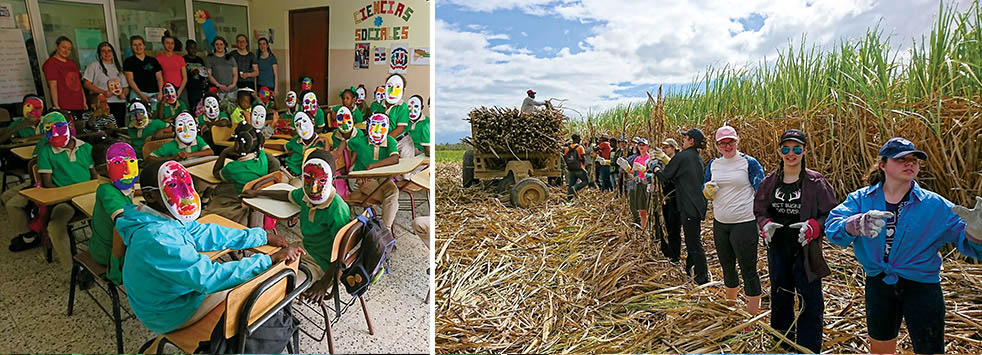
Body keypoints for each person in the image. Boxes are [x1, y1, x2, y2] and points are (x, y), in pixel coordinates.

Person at [825, 137, 982, 354]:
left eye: (914, 160)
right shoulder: (861, 199)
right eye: (901, 159)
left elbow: (966, 241)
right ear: (882, 164)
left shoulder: (934, 204)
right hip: (878, 284)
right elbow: (833, 227)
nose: (910, 163)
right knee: (880, 348)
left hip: (922, 286)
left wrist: (976, 234)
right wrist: (856, 224)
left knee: (930, 349)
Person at [117, 160, 302, 334]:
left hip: (170, 297)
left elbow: (203, 232)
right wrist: (269, 259)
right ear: (149, 195)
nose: (185, 192)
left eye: (187, 184)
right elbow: (208, 278)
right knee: (244, 292)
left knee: (243, 286)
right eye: (173, 186)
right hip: (167, 312)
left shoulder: (161, 216)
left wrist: (260, 236)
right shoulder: (157, 238)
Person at [753, 129, 835, 353]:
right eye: (786, 148)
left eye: (797, 148)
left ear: (804, 150)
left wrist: (815, 227)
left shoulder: (816, 181)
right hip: (778, 247)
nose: (791, 153)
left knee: (811, 301)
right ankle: (782, 344)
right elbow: (759, 210)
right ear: (780, 151)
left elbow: (832, 214)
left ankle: (808, 349)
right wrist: (765, 225)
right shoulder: (770, 182)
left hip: (806, 250)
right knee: (781, 297)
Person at [240, 149, 350, 302]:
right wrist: (258, 193)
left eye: (321, 180)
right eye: (308, 179)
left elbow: (342, 253)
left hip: (322, 265)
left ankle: (277, 317)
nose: (314, 186)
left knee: (277, 290)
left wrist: (325, 285)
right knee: (262, 273)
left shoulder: (337, 209)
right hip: (304, 249)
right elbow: (287, 194)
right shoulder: (306, 196)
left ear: (333, 179)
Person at [3, 113, 97, 283]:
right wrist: (68, 195)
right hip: (65, 201)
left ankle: (104, 257)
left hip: (88, 196)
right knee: (55, 227)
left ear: (68, 127)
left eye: (60, 129)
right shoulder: (46, 151)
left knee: (108, 217)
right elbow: (47, 184)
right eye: (49, 131)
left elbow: (95, 177)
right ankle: (72, 271)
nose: (55, 135)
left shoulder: (86, 148)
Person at [702, 125, 765, 316]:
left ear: (737, 142)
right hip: (721, 223)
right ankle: (730, 309)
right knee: (727, 266)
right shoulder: (713, 165)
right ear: (717, 145)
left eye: (731, 142)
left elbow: (761, 191)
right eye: (723, 143)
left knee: (748, 269)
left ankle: (752, 316)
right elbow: (705, 187)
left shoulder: (749, 163)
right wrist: (706, 192)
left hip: (744, 223)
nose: (727, 146)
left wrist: (764, 219)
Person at [652, 128, 709, 284]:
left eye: (685, 138)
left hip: (689, 205)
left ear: (691, 141)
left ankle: (702, 277)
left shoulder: (683, 156)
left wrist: (654, 168)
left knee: (694, 243)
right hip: (697, 204)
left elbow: (665, 176)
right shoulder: (696, 157)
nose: (682, 140)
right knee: (693, 240)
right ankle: (690, 269)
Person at [89, 142, 140, 284]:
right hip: (107, 252)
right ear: (101, 169)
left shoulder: (119, 185)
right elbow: (123, 222)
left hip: (116, 244)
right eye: (118, 162)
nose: (126, 168)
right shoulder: (106, 190)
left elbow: (130, 193)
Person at [209, 126, 280, 224]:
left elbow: (216, 173)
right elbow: (275, 163)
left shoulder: (232, 168)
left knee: (215, 189)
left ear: (237, 145)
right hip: (255, 200)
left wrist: (224, 152)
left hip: (236, 202)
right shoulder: (262, 156)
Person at [349, 113, 401, 231]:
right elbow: (346, 140)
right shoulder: (360, 141)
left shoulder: (389, 140)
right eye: (374, 126)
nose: (377, 131)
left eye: (382, 127)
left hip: (382, 176)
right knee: (392, 200)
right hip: (365, 179)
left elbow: (395, 158)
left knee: (393, 191)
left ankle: (385, 229)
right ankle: (386, 230)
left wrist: (372, 166)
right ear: (368, 127)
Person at [82, 41, 129, 127]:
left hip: (119, 103)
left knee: (119, 126)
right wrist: (103, 92)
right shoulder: (94, 66)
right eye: (103, 51)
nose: (107, 53)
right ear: (99, 53)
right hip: (103, 104)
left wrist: (123, 94)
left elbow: (125, 87)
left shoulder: (118, 67)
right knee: (104, 127)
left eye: (109, 50)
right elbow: (87, 83)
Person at [42, 36, 86, 116]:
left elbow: (78, 83)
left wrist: (84, 101)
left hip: (79, 103)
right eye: (64, 47)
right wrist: (56, 105)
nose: (66, 51)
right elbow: (53, 85)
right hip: (64, 105)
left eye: (69, 49)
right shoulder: (51, 63)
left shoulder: (72, 63)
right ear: (56, 46)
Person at [148, 112, 213, 163]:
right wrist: (172, 158)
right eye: (180, 125)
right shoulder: (171, 145)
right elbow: (149, 159)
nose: (185, 129)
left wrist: (188, 155)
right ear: (174, 129)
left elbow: (210, 152)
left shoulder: (198, 140)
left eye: (190, 125)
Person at [283, 112, 326, 187]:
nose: (302, 128)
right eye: (297, 125)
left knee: (294, 191)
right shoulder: (295, 141)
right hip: (286, 171)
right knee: (277, 185)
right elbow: (284, 147)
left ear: (312, 123)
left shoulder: (320, 143)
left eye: (304, 122)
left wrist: (326, 142)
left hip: (301, 177)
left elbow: (326, 161)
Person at [123, 35, 163, 108]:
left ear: (144, 46)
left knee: (154, 117)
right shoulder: (128, 62)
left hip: (154, 94)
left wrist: (160, 91)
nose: (138, 47)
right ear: (132, 47)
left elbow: (159, 78)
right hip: (137, 94)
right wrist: (141, 94)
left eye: (140, 44)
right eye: (135, 45)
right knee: (139, 117)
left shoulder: (153, 60)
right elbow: (130, 80)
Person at [381, 74, 411, 156]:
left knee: (406, 164)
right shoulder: (381, 104)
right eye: (390, 86)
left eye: (397, 87)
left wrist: (385, 140)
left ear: (403, 91)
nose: (393, 90)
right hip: (384, 140)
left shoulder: (403, 107)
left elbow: (400, 128)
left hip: (401, 141)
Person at [156, 35, 187, 105]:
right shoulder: (158, 59)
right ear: (163, 44)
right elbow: (159, 77)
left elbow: (185, 77)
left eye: (172, 43)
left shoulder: (180, 59)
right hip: (166, 90)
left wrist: (179, 92)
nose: (170, 45)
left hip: (180, 89)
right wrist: (161, 91)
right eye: (167, 43)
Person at [205, 36, 238, 102]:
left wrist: (233, 85)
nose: (219, 46)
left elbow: (235, 74)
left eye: (221, 44)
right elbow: (209, 75)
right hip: (218, 90)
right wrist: (218, 85)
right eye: (217, 44)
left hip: (231, 90)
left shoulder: (231, 58)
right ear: (214, 46)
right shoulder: (210, 58)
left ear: (224, 45)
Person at [183, 39, 208, 112]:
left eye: (195, 48)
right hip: (188, 88)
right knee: (190, 107)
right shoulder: (184, 59)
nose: (194, 50)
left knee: (199, 106)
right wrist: (191, 73)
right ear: (187, 49)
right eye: (191, 48)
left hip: (199, 87)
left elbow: (204, 72)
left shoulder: (199, 60)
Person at [563, 134, 588, 200]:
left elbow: (565, 157)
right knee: (586, 181)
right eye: (579, 138)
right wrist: (583, 166)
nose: (580, 140)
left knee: (571, 184)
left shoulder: (567, 148)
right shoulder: (580, 147)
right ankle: (576, 187)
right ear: (577, 139)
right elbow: (583, 158)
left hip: (571, 169)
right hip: (579, 168)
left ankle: (569, 199)